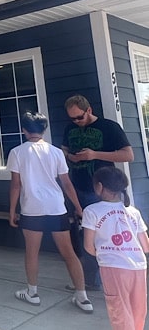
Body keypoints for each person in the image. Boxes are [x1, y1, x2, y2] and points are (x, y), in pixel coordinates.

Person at [8, 112, 92, 313]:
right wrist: (79, 208)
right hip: (56, 207)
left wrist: (12, 211)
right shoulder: (55, 152)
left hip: (31, 208)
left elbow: (15, 185)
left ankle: (32, 292)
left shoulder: (17, 152)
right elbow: (66, 183)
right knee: (69, 253)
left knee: (32, 252)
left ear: (24, 130)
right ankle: (82, 297)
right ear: (44, 129)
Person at [61, 94, 133, 289]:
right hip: (76, 188)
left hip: (103, 191)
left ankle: (114, 279)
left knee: (105, 235)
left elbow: (128, 155)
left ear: (89, 110)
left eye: (79, 117)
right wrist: (70, 156)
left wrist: (94, 154)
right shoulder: (70, 128)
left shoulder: (109, 127)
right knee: (82, 235)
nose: (76, 122)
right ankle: (89, 281)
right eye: (72, 118)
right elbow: (63, 149)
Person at [82, 166, 149, 330]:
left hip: (112, 267)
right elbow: (146, 245)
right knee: (138, 310)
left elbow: (88, 246)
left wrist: (104, 256)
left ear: (99, 186)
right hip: (139, 266)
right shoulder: (134, 211)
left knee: (119, 311)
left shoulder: (91, 211)